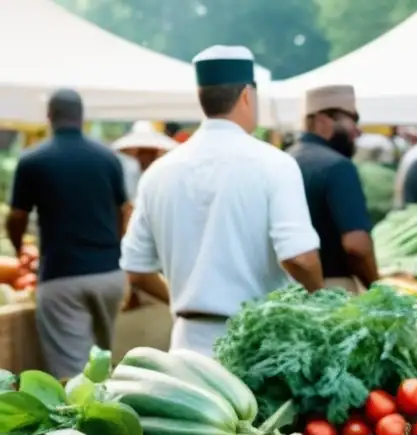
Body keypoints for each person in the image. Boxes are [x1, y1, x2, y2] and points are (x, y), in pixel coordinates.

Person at [120, 45, 322, 356]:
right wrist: (321, 303)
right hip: (261, 345)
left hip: (188, 345)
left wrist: (185, 299)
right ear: (246, 96)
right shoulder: (274, 164)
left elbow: (137, 271)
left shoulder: (159, 173)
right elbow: (300, 258)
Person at [5, 89, 129, 378]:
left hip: (62, 277)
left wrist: (18, 245)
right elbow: (124, 210)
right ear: (82, 117)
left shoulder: (33, 161)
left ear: (49, 116)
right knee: (102, 362)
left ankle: (85, 422)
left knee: (73, 373)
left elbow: (17, 216)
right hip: (109, 276)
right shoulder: (108, 158)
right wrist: (117, 248)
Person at [288, 86, 377, 292]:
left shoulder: (282, 160)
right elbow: (356, 245)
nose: (358, 130)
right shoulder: (338, 167)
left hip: (285, 291)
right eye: (352, 119)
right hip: (333, 290)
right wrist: (376, 287)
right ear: (322, 120)